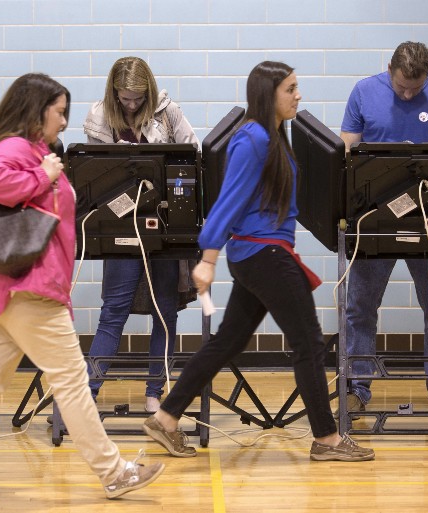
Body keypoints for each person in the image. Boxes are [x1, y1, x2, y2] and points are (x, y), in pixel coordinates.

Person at [0, 73, 165, 500]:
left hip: (8, 291)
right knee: (73, 380)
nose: (63, 121)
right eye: (59, 112)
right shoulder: (20, 149)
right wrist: (42, 175)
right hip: (29, 288)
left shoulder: (32, 150)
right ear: (36, 111)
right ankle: (114, 472)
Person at [141, 61, 375, 462]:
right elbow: (228, 200)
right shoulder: (252, 139)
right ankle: (327, 439)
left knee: (228, 342)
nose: (298, 95)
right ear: (269, 94)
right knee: (309, 342)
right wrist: (208, 258)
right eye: (291, 88)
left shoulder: (273, 137)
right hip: (263, 254)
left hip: (263, 254)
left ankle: (165, 417)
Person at [339, 41, 428, 417]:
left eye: (417, 88)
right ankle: (356, 388)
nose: (409, 93)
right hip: (373, 219)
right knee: (360, 308)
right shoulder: (364, 92)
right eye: (402, 87)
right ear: (389, 69)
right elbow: (345, 148)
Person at [82, 56, 199, 413]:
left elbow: (194, 155)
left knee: (165, 312)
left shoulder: (168, 112)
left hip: (162, 226)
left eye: (137, 98)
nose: (130, 105)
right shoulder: (100, 116)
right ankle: (87, 396)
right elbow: (91, 176)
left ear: (147, 92)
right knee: (113, 311)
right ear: (113, 93)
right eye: (124, 98)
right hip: (119, 226)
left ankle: (154, 394)